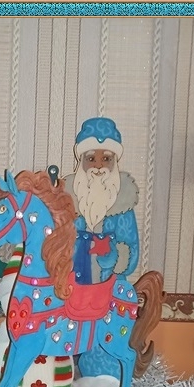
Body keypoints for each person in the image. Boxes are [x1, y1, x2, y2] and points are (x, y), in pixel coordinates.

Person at [63, 117, 139, 285]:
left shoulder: (123, 203)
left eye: (106, 159)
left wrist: (115, 257)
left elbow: (130, 244)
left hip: (110, 282)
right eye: (91, 159)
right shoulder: (67, 201)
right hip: (72, 280)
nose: (98, 166)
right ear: (82, 160)